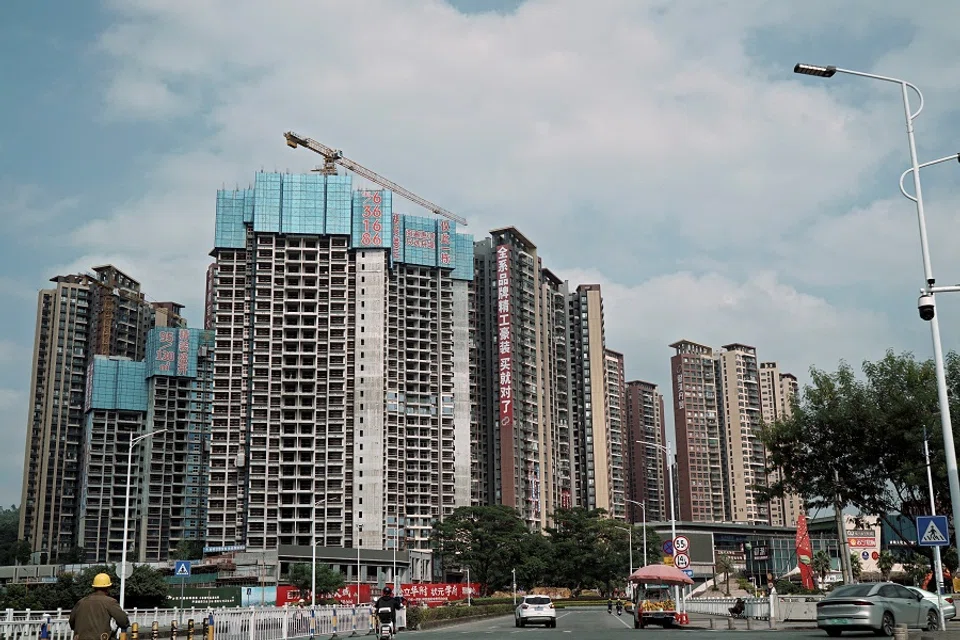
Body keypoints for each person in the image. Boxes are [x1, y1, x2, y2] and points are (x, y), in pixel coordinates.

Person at [69, 573, 130, 640]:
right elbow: (123, 621)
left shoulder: (81, 602)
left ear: (94, 587)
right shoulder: (110, 602)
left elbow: (72, 622)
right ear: (108, 588)